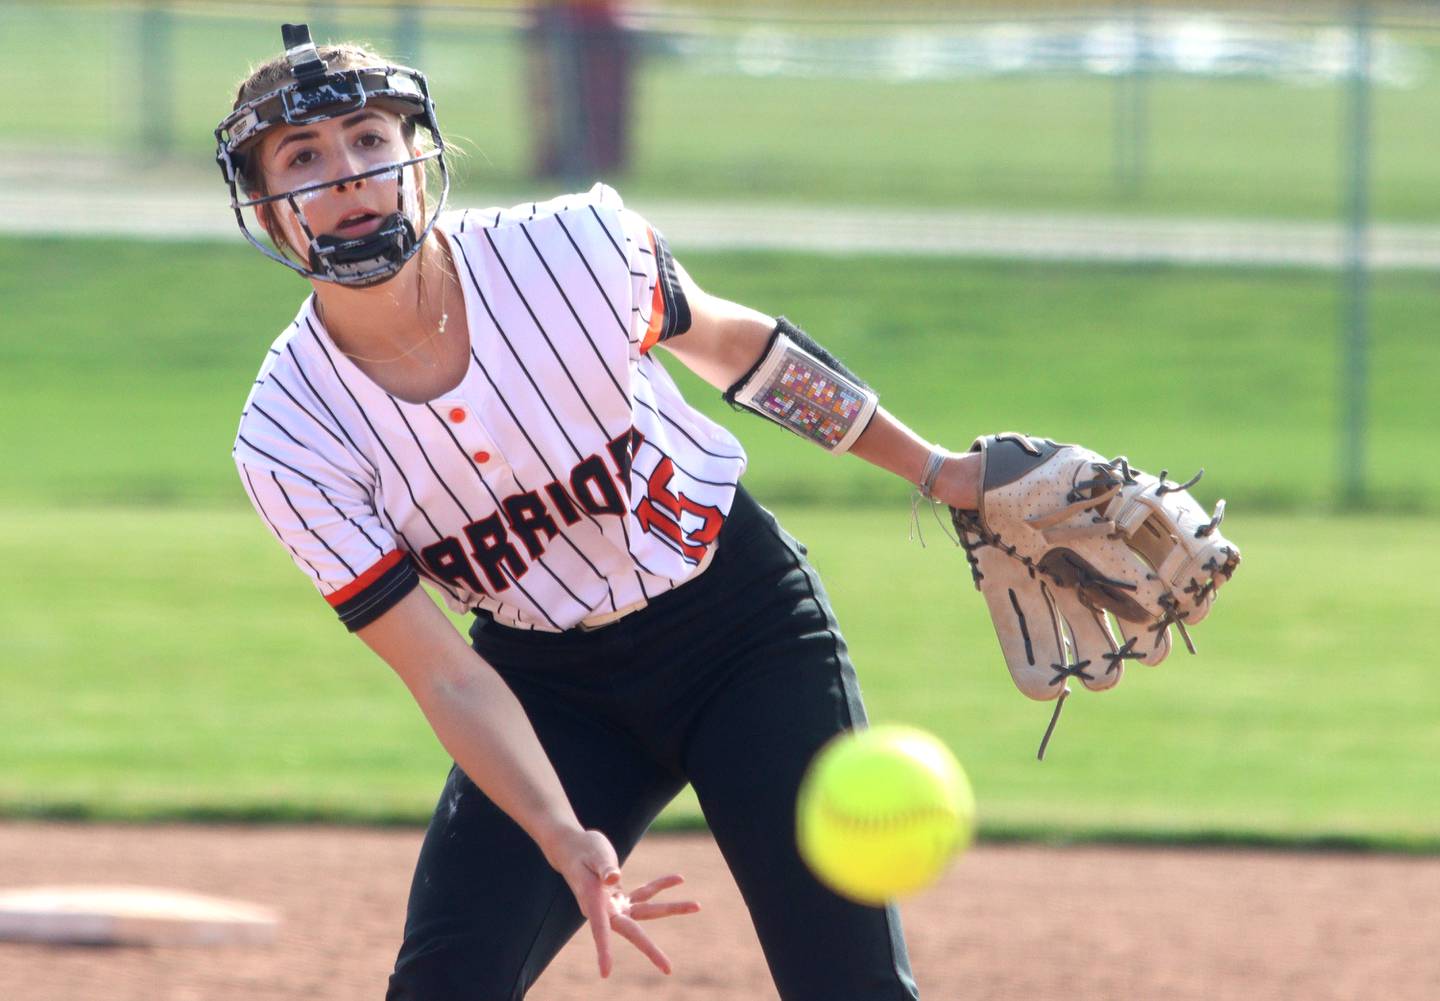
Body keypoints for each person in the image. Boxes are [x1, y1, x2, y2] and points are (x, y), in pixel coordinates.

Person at [218, 24, 981, 1001]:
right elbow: (446, 671)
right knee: (447, 983)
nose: (349, 174)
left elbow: (741, 353)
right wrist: (557, 829)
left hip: (744, 627)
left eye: (370, 140)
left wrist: (935, 469)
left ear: (418, 154)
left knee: (850, 983)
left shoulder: (568, 250)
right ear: (262, 206)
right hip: (547, 685)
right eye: (304, 158)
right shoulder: (288, 435)